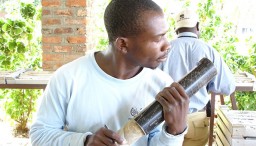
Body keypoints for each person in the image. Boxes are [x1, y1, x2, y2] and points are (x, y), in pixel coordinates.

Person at [30, 0, 190, 146]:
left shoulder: (162, 85)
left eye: (166, 35)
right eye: (157, 39)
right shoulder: (68, 78)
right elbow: (39, 136)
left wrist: (174, 132)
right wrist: (85, 141)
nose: (167, 45)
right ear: (122, 44)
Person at [159, 9, 236, 146]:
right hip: (196, 122)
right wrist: (208, 84)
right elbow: (228, 87)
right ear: (198, 26)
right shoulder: (209, 51)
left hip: (166, 120)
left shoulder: (164, 50)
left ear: (176, 29)